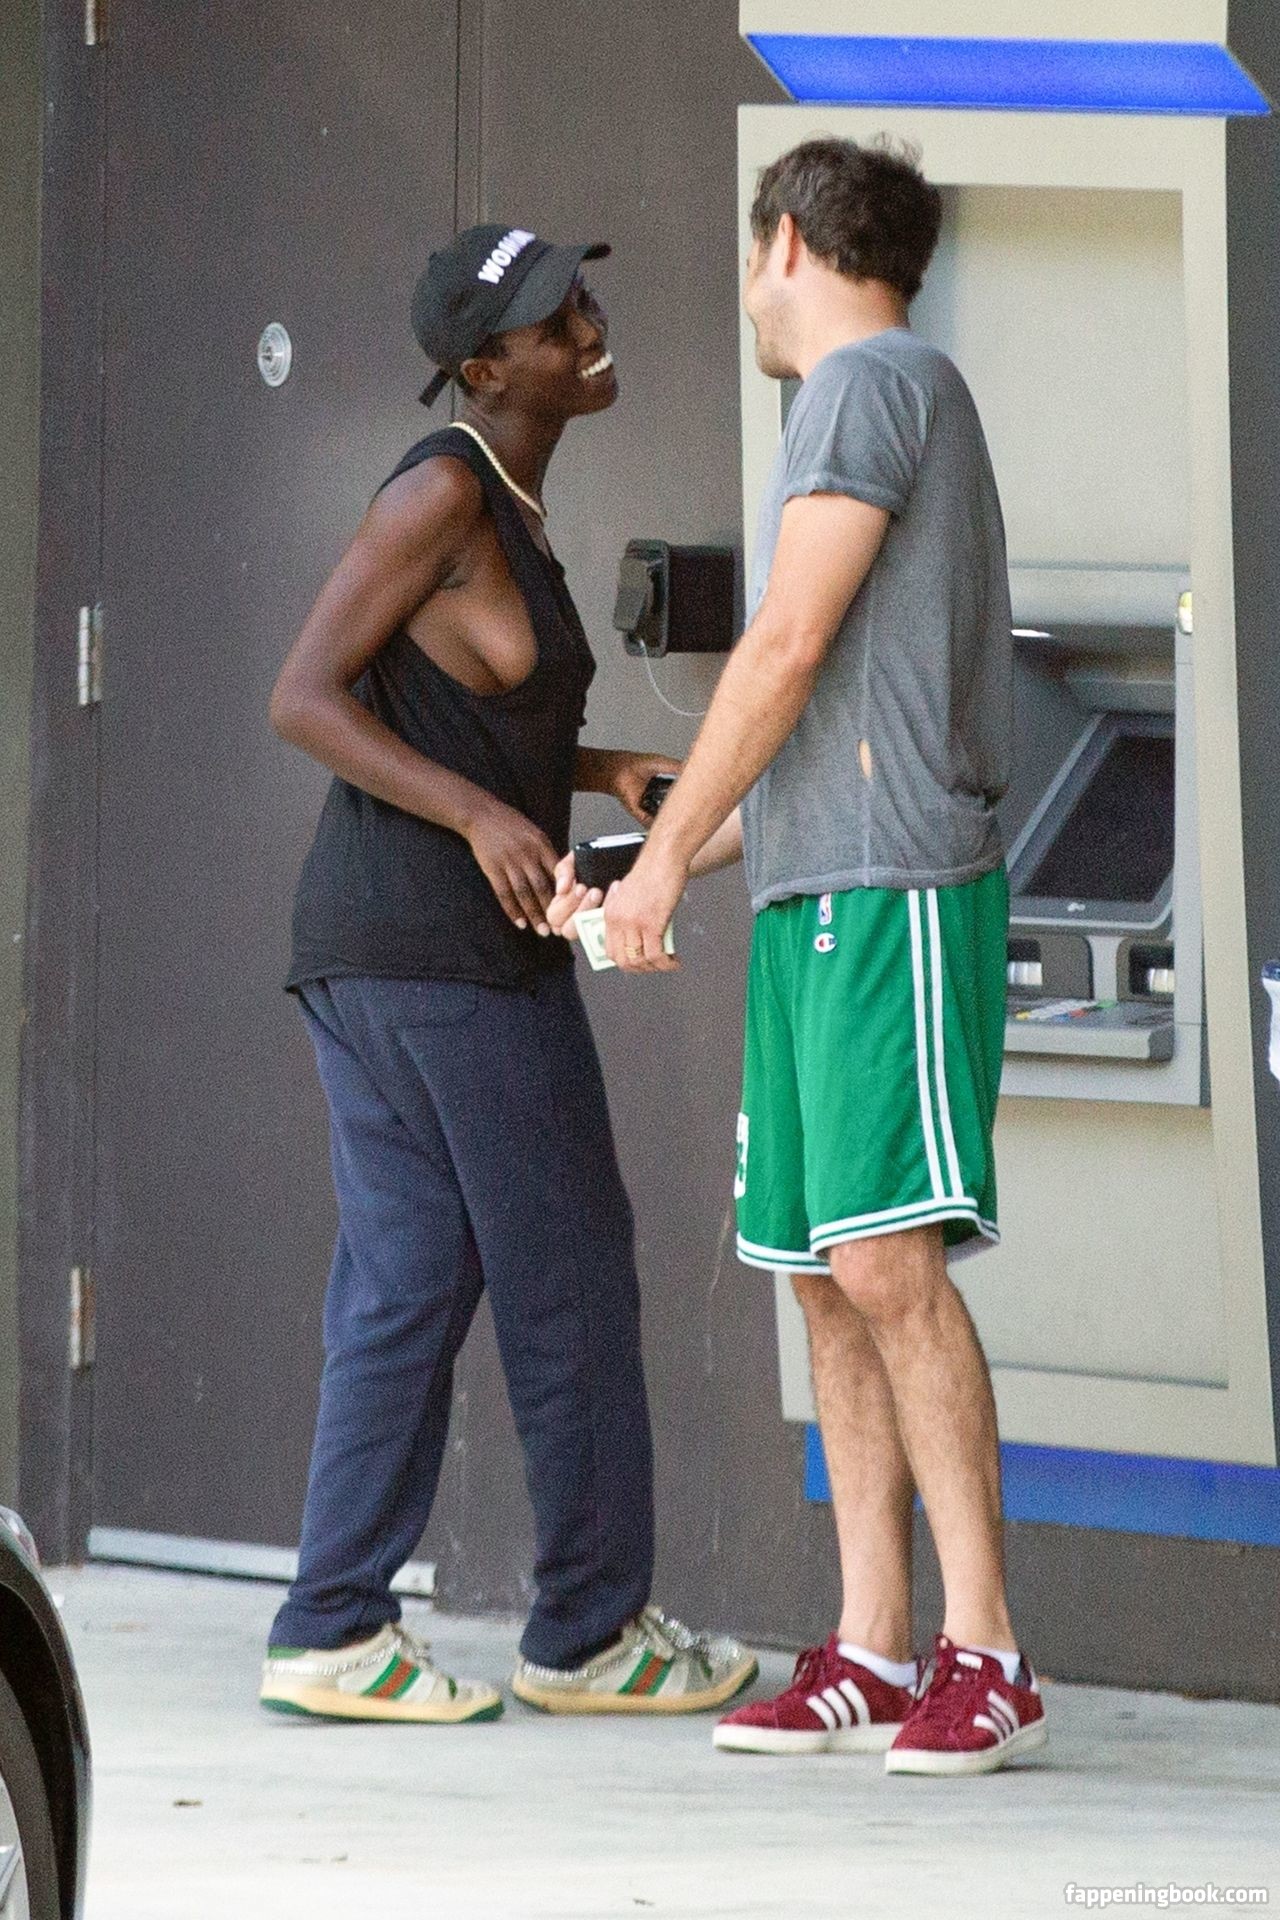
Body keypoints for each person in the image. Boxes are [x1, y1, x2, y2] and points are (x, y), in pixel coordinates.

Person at [555, 139, 1045, 1776]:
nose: (745, 292)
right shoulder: (877, 399)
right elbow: (817, 722)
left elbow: (784, 643)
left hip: (892, 898)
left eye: (748, 257)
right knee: (825, 1272)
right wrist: (641, 865)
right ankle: (874, 1649)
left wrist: (663, 864)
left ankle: (989, 1654)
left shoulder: (866, 385)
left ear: (785, 244)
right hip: (821, 889)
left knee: (886, 1264)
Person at [261, 222, 757, 1723]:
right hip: (444, 959)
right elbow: (304, 697)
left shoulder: (509, 502)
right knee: (571, 1273)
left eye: (585, 297)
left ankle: (332, 1631)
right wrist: (484, 816)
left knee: (409, 1278)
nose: (590, 328)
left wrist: (599, 771)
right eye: (555, 320)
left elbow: (468, 709)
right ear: (486, 368)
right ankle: (592, 1634)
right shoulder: (441, 491)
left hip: (388, 954)